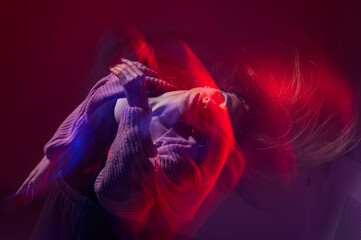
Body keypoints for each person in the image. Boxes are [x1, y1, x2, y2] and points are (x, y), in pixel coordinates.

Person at [15, 58, 247, 239]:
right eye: (220, 98)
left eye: (218, 119)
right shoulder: (147, 79)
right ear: (210, 86)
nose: (212, 105)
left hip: (93, 226)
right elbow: (91, 104)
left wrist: (137, 106)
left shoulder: (182, 154)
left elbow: (116, 188)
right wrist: (53, 155)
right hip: (62, 199)